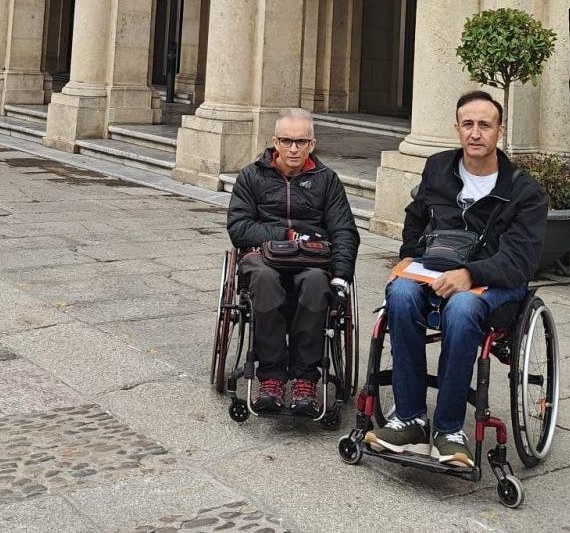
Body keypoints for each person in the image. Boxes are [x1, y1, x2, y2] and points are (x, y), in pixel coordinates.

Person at [366, 90, 546, 466]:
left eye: (485, 125)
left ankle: (449, 428)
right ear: (457, 129)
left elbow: (521, 260)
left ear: (500, 130)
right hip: (435, 269)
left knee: (463, 309)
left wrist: (471, 274)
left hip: (495, 282)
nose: (475, 133)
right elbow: (415, 216)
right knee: (399, 293)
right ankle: (409, 418)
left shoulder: (524, 191)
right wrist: (410, 258)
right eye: (468, 124)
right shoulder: (438, 168)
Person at [226, 108, 359, 416]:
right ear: (275, 141)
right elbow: (239, 228)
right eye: (287, 141)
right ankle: (271, 377)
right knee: (263, 278)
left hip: (311, 261)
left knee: (316, 283)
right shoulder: (251, 176)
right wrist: (287, 233)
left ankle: (304, 379)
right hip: (263, 258)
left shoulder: (327, 181)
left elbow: (344, 232)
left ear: (312, 144)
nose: (294, 148)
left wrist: (340, 278)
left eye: (301, 141)